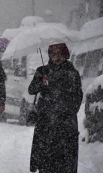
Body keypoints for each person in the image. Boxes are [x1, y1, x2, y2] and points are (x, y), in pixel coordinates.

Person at [28, 43, 83, 173]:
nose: (57, 57)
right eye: (54, 54)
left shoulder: (72, 73)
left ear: (65, 55)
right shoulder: (42, 71)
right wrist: (41, 81)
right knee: (45, 158)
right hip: (46, 122)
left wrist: (68, 112)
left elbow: (78, 96)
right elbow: (31, 90)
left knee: (65, 160)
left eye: (60, 54)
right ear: (50, 55)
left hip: (66, 123)